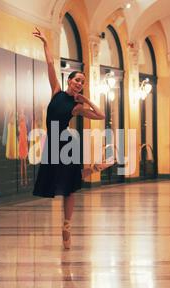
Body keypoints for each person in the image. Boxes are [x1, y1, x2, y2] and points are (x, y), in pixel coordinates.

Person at [32, 27, 112, 250]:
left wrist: (86, 100)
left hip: (67, 143)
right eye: (77, 80)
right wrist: (46, 42)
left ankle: (67, 226)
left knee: (70, 186)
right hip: (52, 142)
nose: (79, 83)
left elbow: (101, 115)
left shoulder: (76, 107)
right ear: (69, 81)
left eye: (83, 82)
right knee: (59, 180)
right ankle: (96, 167)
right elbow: (50, 65)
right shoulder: (56, 91)